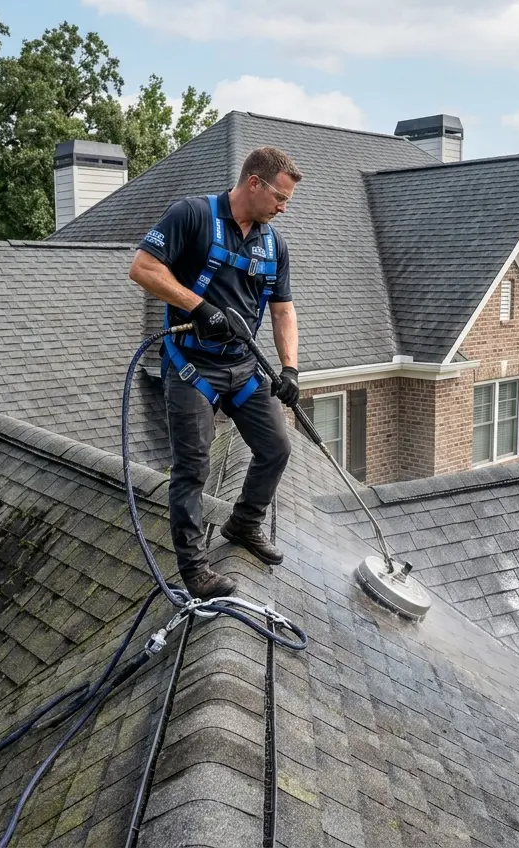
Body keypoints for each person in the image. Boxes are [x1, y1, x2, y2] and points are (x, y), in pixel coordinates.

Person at [129, 147, 302, 600]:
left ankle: (244, 523)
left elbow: (283, 312)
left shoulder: (273, 244)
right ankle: (194, 567)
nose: (283, 208)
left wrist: (290, 368)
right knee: (193, 468)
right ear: (253, 183)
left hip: (243, 370)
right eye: (280, 198)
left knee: (276, 447)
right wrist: (199, 306)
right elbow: (142, 268)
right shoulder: (192, 216)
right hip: (191, 368)